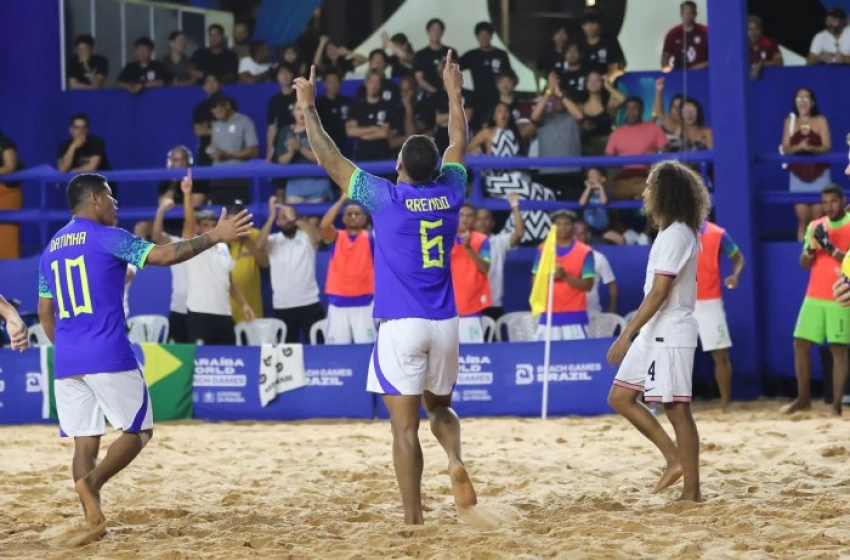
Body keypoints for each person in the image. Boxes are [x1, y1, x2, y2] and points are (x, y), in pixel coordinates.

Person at [293, 55, 484, 524]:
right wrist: (453, 93)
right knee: (441, 409)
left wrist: (309, 109)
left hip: (402, 323)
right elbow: (458, 140)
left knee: (403, 429)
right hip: (446, 321)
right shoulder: (452, 191)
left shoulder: (386, 197)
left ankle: (414, 518)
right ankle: (456, 460)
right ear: (436, 168)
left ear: (399, 165)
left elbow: (329, 158)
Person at [36, 172, 252, 542]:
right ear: (96, 201)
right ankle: (93, 485)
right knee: (139, 431)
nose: (116, 204)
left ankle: (92, 519)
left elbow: (44, 312)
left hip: (68, 359)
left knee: (85, 441)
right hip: (107, 351)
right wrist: (215, 236)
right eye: (111, 197)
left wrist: (67, 348)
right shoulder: (108, 237)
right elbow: (165, 255)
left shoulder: (50, 249)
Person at [606, 160, 710, 503]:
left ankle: (692, 492)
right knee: (620, 397)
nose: (645, 192)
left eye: (650, 186)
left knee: (678, 409)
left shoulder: (679, 233)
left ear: (665, 193)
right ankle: (673, 458)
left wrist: (626, 334)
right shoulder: (671, 232)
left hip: (670, 329)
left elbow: (660, 292)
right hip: (655, 329)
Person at [788, 185, 850, 416]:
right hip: (813, 295)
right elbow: (804, 264)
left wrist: (830, 248)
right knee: (800, 343)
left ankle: (836, 405)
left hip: (840, 295)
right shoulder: (815, 226)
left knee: (838, 350)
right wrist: (813, 248)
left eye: (833, 201)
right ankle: (803, 399)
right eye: (825, 202)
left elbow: (849, 260)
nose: (829, 206)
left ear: (843, 201)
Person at [179, 174, 255, 344]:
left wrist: (244, 305)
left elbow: (229, 282)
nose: (210, 229)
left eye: (213, 225)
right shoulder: (194, 245)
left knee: (228, 365)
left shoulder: (223, 248)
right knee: (200, 367)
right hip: (199, 315)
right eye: (205, 225)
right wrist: (187, 194)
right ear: (199, 228)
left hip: (224, 315)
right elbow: (189, 224)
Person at [256, 200, 325, 344]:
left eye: (288, 216)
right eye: (282, 217)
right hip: (283, 307)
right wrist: (271, 217)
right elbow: (259, 245)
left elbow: (319, 238)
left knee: (319, 349)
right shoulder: (272, 240)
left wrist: (295, 219)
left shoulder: (306, 238)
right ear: (277, 222)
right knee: (285, 354)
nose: (286, 220)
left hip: (310, 303)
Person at [695, 220, 745, 413]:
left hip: (709, 300)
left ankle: (726, 404)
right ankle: (666, 403)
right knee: (671, 353)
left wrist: (735, 275)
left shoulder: (718, 234)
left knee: (720, 354)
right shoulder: (673, 230)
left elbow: (739, 258)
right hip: (680, 300)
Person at [320, 193, 376, 344]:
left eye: (357, 213)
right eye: (349, 214)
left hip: (365, 304)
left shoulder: (371, 238)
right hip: (338, 305)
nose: (353, 216)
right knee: (335, 352)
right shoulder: (336, 236)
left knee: (367, 351)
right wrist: (342, 199)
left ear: (364, 218)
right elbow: (324, 225)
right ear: (343, 219)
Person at [531, 211, 595, 341]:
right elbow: (535, 282)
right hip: (548, 315)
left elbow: (588, 285)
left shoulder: (585, 251)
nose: (562, 227)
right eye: (558, 224)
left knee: (576, 359)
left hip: (574, 316)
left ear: (573, 227)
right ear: (552, 227)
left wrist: (564, 276)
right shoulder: (543, 250)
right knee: (543, 358)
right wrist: (549, 276)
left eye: (566, 224)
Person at [782, 87, 832, 241]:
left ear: (812, 102)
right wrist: (799, 148)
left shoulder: (820, 120)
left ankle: (820, 253)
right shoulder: (790, 121)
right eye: (799, 98)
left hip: (819, 173)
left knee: (818, 218)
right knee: (803, 218)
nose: (802, 102)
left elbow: (827, 146)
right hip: (798, 174)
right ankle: (802, 256)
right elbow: (785, 147)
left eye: (806, 98)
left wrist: (811, 148)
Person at [475, 194, 524, 321]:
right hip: (471, 304)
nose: (482, 222)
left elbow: (519, 233)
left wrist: (515, 206)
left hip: (493, 303)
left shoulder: (498, 241)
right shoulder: (464, 242)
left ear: (492, 223)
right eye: (478, 219)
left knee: (494, 340)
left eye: (486, 218)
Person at [150, 197, 189, 343]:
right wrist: (161, 211)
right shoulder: (177, 244)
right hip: (178, 310)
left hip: (200, 311)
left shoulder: (207, 246)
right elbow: (157, 237)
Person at [208, 94, 260, 204]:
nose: (217, 116)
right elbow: (214, 147)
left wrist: (228, 155)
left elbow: (253, 151)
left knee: (237, 213)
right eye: (215, 114)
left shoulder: (244, 122)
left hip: (237, 176)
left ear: (227, 105)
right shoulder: (216, 124)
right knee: (217, 212)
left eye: (219, 112)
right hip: (217, 176)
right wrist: (211, 151)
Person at [274, 103, 331, 203]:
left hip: (317, 182)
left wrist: (301, 148)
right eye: (299, 109)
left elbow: (322, 158)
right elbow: (281, 161)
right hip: (294, 183)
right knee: (293, 216)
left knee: (314, 218)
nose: (302, 113)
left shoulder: (320, 131)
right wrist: (291, 152)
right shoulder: (285, 131)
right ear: (293, 112)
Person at [453, 203, 493, 344]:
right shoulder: (442, 238)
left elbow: (486, 268)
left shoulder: (482, 240)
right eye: (461, 215)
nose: (464, 219)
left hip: (471, 307)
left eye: (469, 216)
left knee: (473, 356)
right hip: (446, 309)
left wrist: (469, 248)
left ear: (475, 220)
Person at [226, 203, 267, 325]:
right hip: (226, 310)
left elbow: (264, 263)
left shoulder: (254, 234)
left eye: (238, 221)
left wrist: (246, 240)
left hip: (251, 308)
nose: (234, 226)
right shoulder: (219, 240)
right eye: (230, 222)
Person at [460, 22, 512, 111]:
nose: (484, 38)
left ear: (491, 36)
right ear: (477, 37)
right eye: (481, 35)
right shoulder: (472, 55)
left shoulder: (500, 54)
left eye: (486, 35)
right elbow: (454, 69)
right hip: (479, 98)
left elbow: (510, 75)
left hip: (499, 98)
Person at [574, 220, 618, 316]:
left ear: (588, 235)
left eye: (581, 234)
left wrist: (612, 307)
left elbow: (612, 284)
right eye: (574, 234)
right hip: (569, 313)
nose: (577, 238)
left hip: (592, 313)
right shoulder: (564, 257)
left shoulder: (598, 258)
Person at [661, 1, 709, 71]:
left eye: (691, 13)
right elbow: (665, 59)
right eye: (686, 13)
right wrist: (670, 73)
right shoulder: (672, 34)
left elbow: (715, 58)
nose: (688, 16)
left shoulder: (705, 32)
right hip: (679, 75)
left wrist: (697, 67)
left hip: (702, 74)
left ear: (695, 14)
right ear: (681, 14)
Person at [0, 129, 24, 259]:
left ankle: (9, 274)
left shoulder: (5, 142)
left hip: (7, 194)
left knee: (6, 235)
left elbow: (10, 166)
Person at [413, 19, 454, 93]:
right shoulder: (420, 55)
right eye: (433, 29)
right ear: (428, 32)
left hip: (449, 94)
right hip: (429, 96)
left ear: (442, 32)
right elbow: (419, 79)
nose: (436, 32)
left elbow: (454, 75)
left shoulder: (450, 52)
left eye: (439, 30)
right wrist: (436, 93)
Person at [748, 15, 783, 79]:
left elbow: (779, 62)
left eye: (756, 29)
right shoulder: (741, 45)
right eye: (749, 29)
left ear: (761, 30)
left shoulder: (769, 43)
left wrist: (761, 64)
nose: (753, 33)